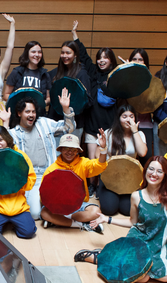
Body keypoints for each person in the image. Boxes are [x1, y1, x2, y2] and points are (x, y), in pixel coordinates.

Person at [77, 156, 167, 283]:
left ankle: (125, 261)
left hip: (161, 245)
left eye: (159, 171)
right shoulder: (137, 196)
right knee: (142, 278)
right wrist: (107, 219)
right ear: (145, 171)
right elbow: (133, 223)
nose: (154, 174)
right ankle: (100, 256)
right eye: (151, 169)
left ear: (165, 175)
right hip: (139, 242)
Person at [0, 91, 75, 220]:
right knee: (35, 214)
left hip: (50, 173)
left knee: (66, 207)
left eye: (33, 111)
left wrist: (65, 108)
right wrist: (6, 122)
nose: (31, 114)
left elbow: (68, 128)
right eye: (27, 111)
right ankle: (48, 212)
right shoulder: (14, 133)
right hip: (31, 178)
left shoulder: (44, 123)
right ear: (19, 113)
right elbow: (5, 149)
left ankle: (51, 210)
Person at [72, 20, 118, 196]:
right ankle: (92, 185)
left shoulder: (116, 75)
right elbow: (83, 55)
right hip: (92, 123)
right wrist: (75, 34)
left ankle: (102, 186)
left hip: (110, 124)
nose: (101, 60)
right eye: (99, 57)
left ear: (111, 60)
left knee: (106, 157)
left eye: (105, 57)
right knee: (92, 158)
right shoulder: (92, 72)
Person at [40, 133, 108, 233]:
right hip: (58, 207)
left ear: (77, 151)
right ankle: (81, 224)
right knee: (44, 212)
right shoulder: (51, 170)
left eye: (73, 149)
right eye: (66, 148)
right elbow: (44, 194)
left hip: (78, 206)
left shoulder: (83, 163)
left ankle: (60, 221)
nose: (70, 152)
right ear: (61, 149)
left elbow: (100, 165)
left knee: (96, 212)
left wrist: (103, 148)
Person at [0, 126, 37, 239]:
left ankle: (14, 223)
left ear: (7, 139)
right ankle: (3, 221)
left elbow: (31, 180)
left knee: (28, 233)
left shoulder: (21, 156)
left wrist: (18, 181)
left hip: (19, 207)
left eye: (0, 139)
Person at [97, 104, 147, 216]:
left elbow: (142, 153)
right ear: (118, 118)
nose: (128, 119)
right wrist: (103, 148)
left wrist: (135, 132)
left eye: (131, 116)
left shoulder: (140, 134)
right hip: (110, 176)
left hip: (130, 179)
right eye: (124, 116)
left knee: (127, 210)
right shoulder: (109, 133)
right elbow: (97, 159)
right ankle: (102, 191)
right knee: (109, 209)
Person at [48, 40, 91, 136]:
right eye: (62, 52)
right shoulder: (54, 73)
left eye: (68, 53)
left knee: (71, 151)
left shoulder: (82, 74)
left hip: (74, 123)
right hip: (55, 121)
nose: (65, 55)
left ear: (75, 55)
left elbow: (88, 101)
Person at [125, 48, 156, 162]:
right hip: (127, 124)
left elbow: (152, 103)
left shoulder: (151, 81)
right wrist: (127, 72)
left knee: (145, 159)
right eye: (134, 59)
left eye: (140, 59)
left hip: (145, 125)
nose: (137, 62)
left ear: (145, 63)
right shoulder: (126, 78)